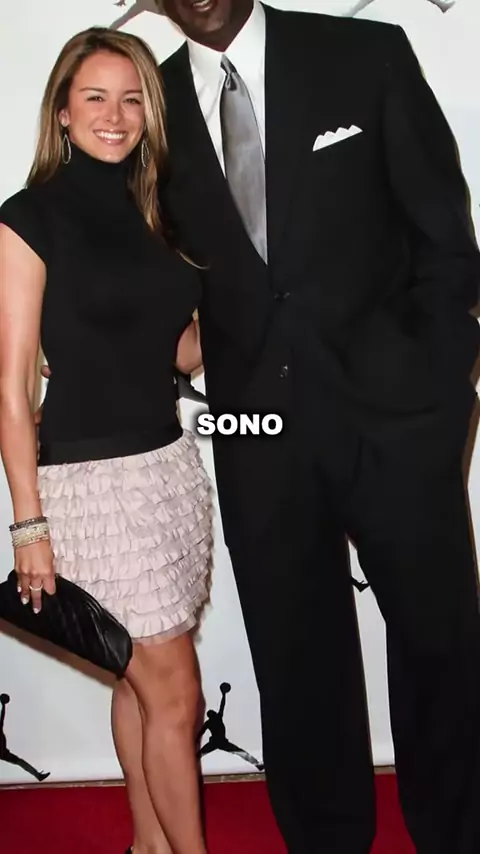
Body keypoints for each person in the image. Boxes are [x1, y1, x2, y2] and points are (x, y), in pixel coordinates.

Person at [154, 1, 480, 852]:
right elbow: (144, 261)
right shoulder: (149, 101)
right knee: (295, 659)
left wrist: (438, 382)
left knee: (440, 641)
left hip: (399, 419)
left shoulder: (363, 53)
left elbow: (446, 239)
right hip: (257, 432)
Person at [0, 27, 212, 854]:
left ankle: (150, 845)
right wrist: (28, 523)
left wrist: (254, 315)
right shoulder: (28, 218)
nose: (115, 116)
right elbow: (13, 386)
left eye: (132, 99)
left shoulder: (159, 212)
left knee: (140, 677)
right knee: (176, 693)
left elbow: (177, 351)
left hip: (169, 471)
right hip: (89, 485)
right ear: (62, 111)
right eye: (95, 97)